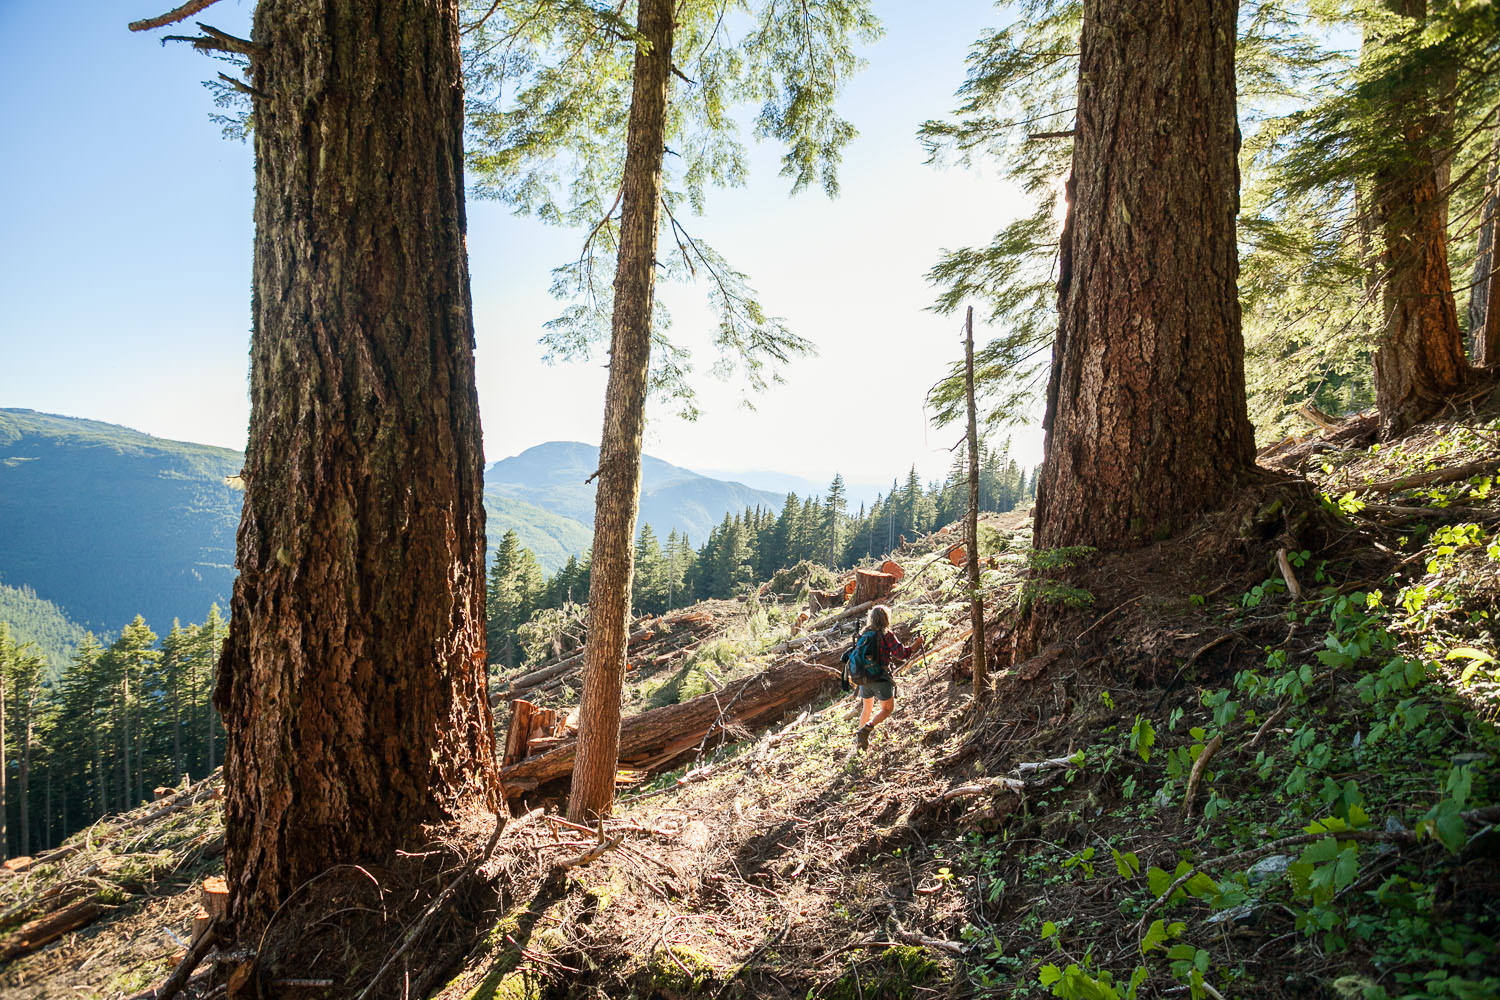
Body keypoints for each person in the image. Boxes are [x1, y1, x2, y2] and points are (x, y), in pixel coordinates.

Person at [850, 604, 922, 751]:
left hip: (863, 678)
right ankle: (865, 730)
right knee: (887, 709)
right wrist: (916, 645)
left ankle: (859, 742)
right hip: (880, 678)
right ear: (886, 618)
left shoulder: (864, 634)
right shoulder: (886, 634)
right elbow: (901, 654)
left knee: (867, 707)